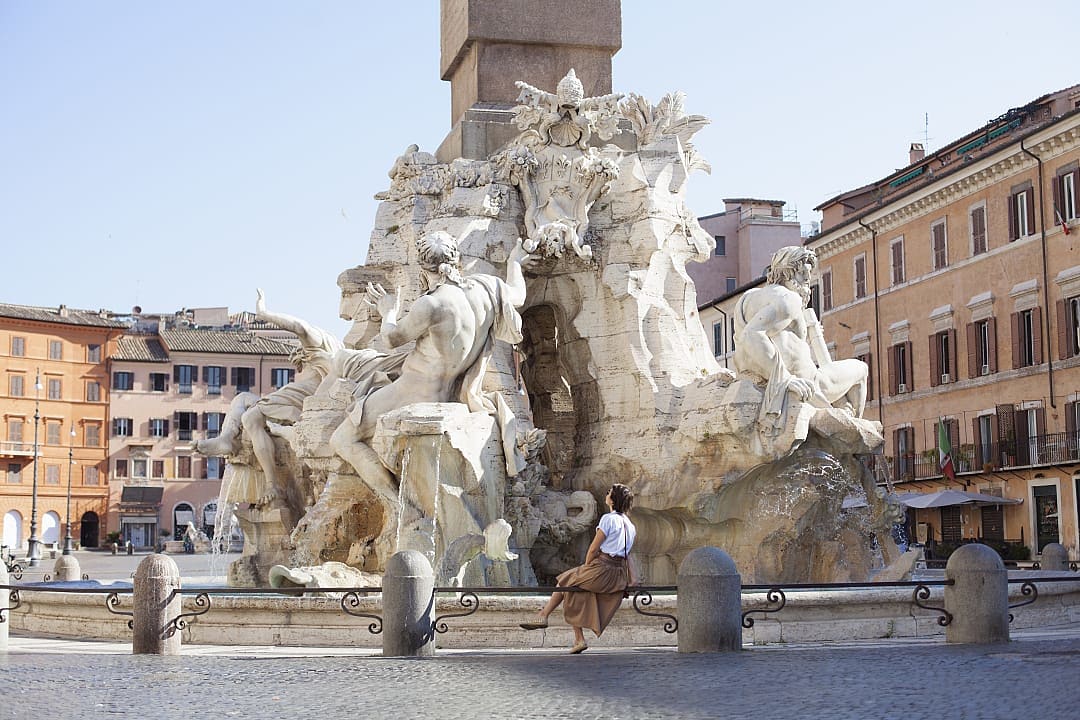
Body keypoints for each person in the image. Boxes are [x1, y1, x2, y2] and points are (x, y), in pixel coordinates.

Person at [330, 230, 530, 503]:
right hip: (450, 391)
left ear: (423, 268)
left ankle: (400, 506)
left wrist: (387, 309)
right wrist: (515, 262)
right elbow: (518, 294)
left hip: (411, 393)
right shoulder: (486, 288)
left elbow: (392, 339)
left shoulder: (432, 303)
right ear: (457, 259)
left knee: (342, 439)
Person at [733, 246, 868, 427]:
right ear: (787, 273)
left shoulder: (749, 297)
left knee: (843, 402)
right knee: (861, 369)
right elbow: (751, 335)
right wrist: (787, 380)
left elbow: (749, 337)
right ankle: (855, 429)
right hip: (812, 384)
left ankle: (846, 419)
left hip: (763, 377)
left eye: (809, 273)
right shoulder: (790, 299)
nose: (807, 279)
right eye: (802, 273)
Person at [520, 483, 638, 654]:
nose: (606, 495)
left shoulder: (608, 519)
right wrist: (633, 580)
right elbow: (628, 555)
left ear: (612, 500)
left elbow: (593, 548)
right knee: (573, 589)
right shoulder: (630, 525)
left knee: (565, 581)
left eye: (608, 492)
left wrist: (588, 565)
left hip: (602, 569)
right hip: (618, 574)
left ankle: (544, 616)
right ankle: (578, 639)